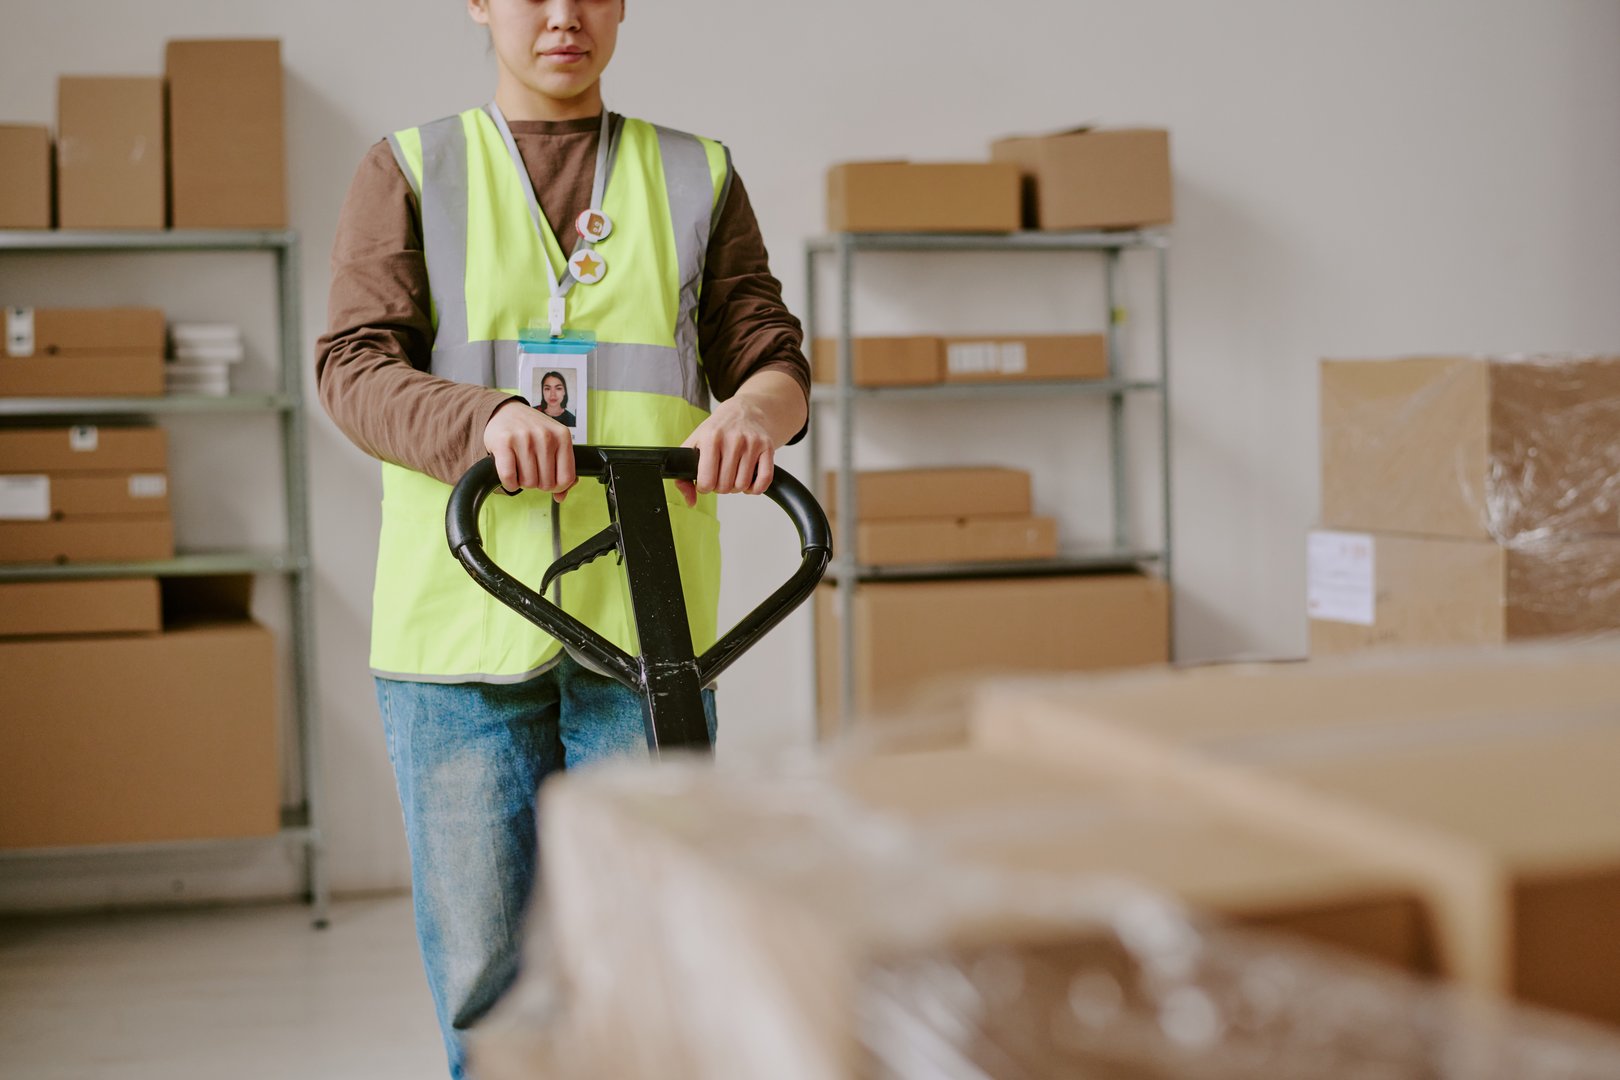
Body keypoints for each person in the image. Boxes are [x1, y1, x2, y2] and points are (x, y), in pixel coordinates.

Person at [314, 0, 810, 1075]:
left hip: (649, 637)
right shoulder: (410, 168)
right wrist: (482, 421)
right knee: (492, 982)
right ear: (480, 5)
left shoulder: (697, 174)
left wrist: (755, 412)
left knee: (655, 958)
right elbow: (352, 366)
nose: (563, 15)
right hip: (461, 635)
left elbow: (765, 347)